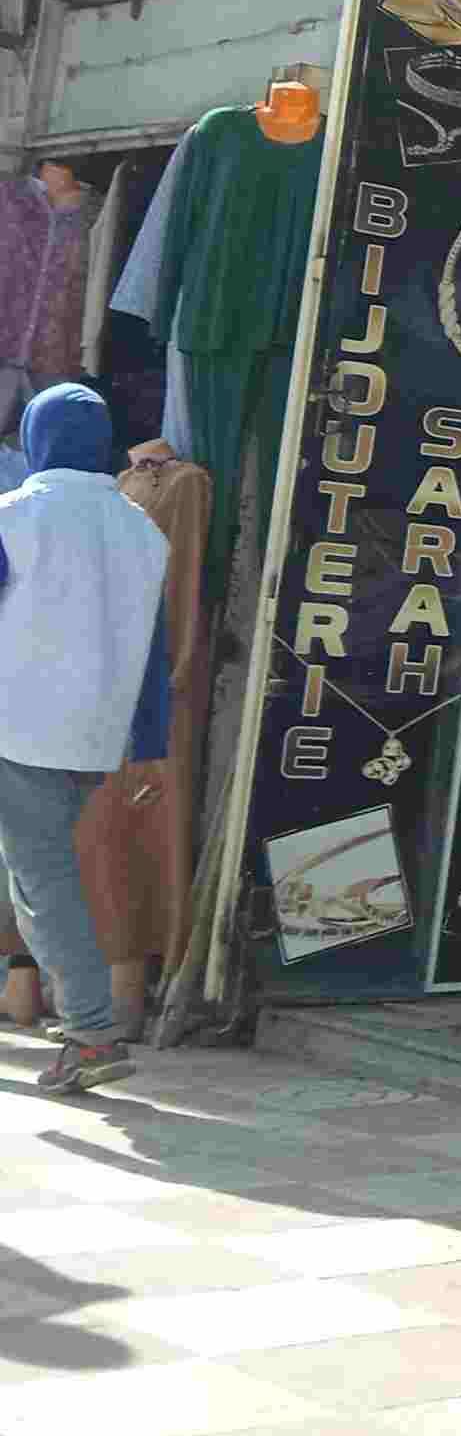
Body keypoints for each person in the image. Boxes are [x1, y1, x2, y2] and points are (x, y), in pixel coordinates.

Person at [0, 385, 171, 1094]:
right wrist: (150, 743)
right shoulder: (142, 530)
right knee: (31, 871)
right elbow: (155, 650)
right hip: (95, 737)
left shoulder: (14, 516)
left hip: (18, 729)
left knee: (44, 883)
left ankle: (93, 1035)